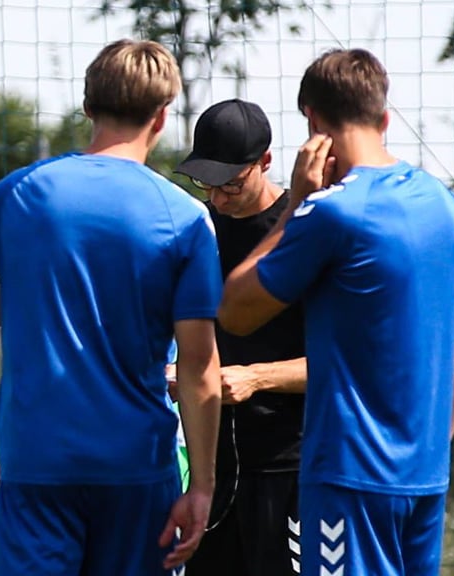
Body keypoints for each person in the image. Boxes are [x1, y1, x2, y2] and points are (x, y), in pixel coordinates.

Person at [0, 39, 222, 576]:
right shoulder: (185, 216)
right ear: (162, 117)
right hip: (138, 469)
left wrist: (35, 298)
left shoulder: (19, 193)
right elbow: (200, 367)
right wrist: (201, 485)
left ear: (87, 107)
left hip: (38, 465)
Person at [217, 48, 454, 576]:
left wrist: (294, 204)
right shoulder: (446, 204)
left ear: (311, 121)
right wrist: (427, 453)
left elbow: (235, 310)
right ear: (383, 118)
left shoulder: (329, 211)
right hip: (425, 478)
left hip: (348, 478)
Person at [172, 98, 306, 576]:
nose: (219, 199)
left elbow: (345, 361)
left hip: (290, 468)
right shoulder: (197, 230)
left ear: (265, 163)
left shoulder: (307, 229)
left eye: (231, 183)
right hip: (210, 471)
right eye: (206, 184)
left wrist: (257, 378)